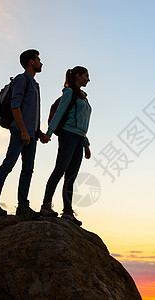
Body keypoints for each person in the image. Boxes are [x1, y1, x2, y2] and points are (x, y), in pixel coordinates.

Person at [0, 49, 48, 220]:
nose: (41, 62)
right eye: (38, 59)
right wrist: (23, 131)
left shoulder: (35, 85)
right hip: (20, 132)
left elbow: (31, 112)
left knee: (28, 170)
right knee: (8, 165)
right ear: (30, 62)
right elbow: (15, 106)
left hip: (31, 134)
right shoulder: (22, 79)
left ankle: (22, 206)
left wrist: (38, 132)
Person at [40, 66, 92, 226]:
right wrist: (49, 133)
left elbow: (82, 122)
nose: (88, 79)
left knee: (71, 176)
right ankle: (46, 205)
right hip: (67, 135)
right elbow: (59, 113)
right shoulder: (69, 92)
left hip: (78, 138)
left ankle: (68, 211)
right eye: (86, 76)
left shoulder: (84, 97)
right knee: (60, 170)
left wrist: (86, 144)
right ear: (77, 76)